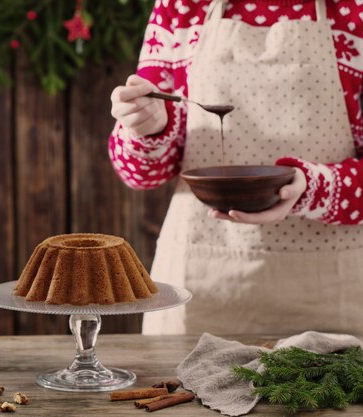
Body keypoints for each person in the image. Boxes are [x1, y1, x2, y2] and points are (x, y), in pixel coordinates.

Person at [109, 0, 363, 335]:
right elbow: (138, 174)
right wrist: (150, 127)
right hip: (200, 287)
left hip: (335, 294)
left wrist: (313, 187)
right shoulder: (181, 6)